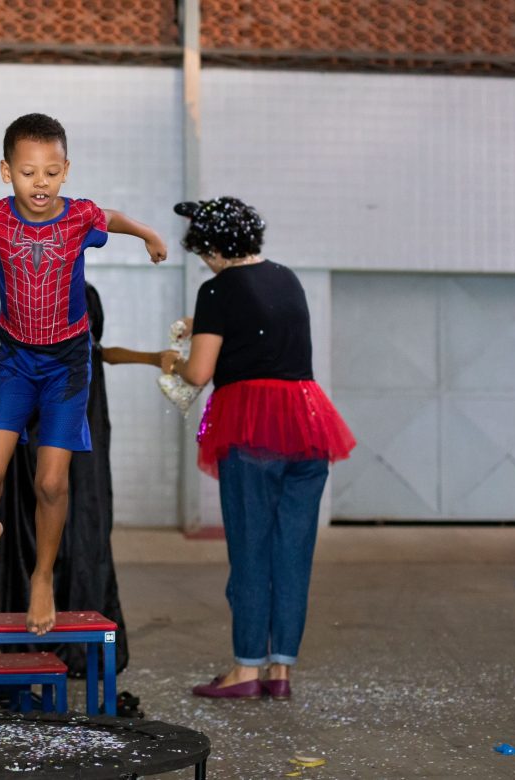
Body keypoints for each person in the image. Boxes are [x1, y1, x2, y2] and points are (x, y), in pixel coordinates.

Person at [0, 113, 167, 635]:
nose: (40, 183)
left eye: (51, 171)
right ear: (7, 172)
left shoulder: (79, 218)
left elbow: (110, 216)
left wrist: (147, 234)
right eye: (29, 172)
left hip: (69, 365)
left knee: (51, 482)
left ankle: (42, 576)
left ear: (65, 170)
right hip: (16, 360)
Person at [163, 197, 355, 701]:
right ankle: (281, 671)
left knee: (250, 550)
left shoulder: (217, 288)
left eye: (202, 251)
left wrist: (172, 364)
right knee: (293, 552)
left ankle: (246, 670)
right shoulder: (287, 278)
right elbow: (260, 331)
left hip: (252, 426)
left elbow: (200, 373)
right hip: (308, 423)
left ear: (212, 247)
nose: (203, 261)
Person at [0, 283, 174, 686]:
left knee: (81, 536)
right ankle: (28, 641)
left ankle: (70, 639)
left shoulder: (82, 327)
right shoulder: (31, 339)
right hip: (33, 445)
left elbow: (102, 351)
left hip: (80, 452)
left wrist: (153, 357)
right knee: (26, 526)